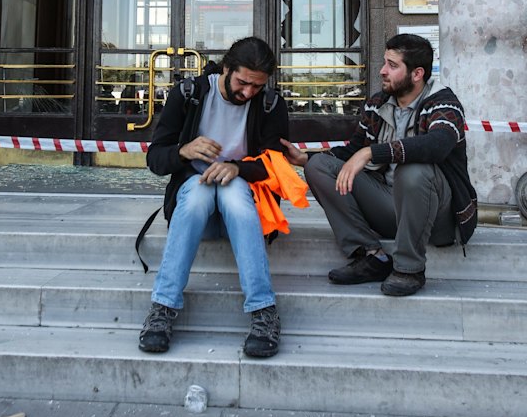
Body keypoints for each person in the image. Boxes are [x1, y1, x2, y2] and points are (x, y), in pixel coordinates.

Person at [282, 34, 477, 297]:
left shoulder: (443, 103)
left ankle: (409, 269)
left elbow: (438, 145)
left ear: (417, 73)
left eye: (393, 65)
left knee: (413, 168)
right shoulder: (377, 104)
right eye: (385, 62)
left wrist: (372, 153)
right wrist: (305, 158)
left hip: (438, 217)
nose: (383, 71)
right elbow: (351, 151)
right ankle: (371, 255)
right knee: (319, 166)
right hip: (390, 206)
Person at [139, 36, 289, 357]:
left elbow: (277, 163)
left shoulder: (270, 104)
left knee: (233, 193)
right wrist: (183, 151)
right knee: (196, 195)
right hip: (197, 204)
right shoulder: (189, 94)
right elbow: (155, 159)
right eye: (243, 82)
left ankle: (263, 311)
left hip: (244, 206)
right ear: (226, 69)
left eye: (256, 86)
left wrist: (238, 168)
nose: (248, 92)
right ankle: (163, 307)